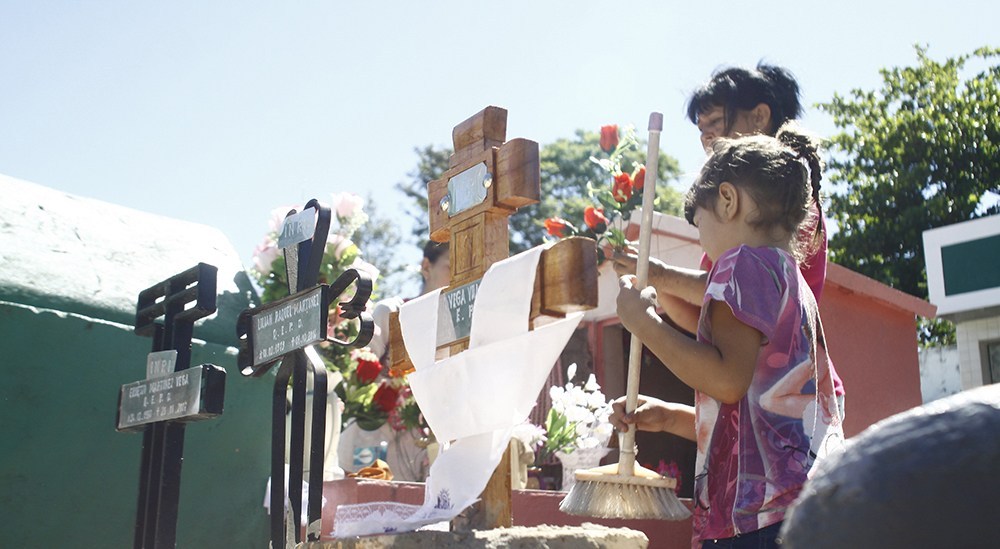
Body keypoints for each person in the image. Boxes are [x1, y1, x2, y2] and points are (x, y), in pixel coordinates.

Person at [611, 125, 845, 548]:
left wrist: (643, 323)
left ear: (727, 200)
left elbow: (725, 381)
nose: (702, 239)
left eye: (698, 224)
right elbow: (752, 416)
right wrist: (669, 417)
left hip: (755, 522)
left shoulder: (739, 264)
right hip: (802, 511)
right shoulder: (792, 284)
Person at [612, 62, 845, 410]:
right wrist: (654, 280)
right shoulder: (739, 234)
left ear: (759, 117)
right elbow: (712, 320)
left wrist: (648, 307)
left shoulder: (771, 220)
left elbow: (726, 362)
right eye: (701, 129)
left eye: (716, 123)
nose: (707, 137)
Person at [339, 240, 450, 482]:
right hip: (382, 441)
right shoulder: (391, 311)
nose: (455, 278)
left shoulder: (459, 327)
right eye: (449, 267)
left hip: (434, 444)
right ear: (426, 267)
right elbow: (359, 369)